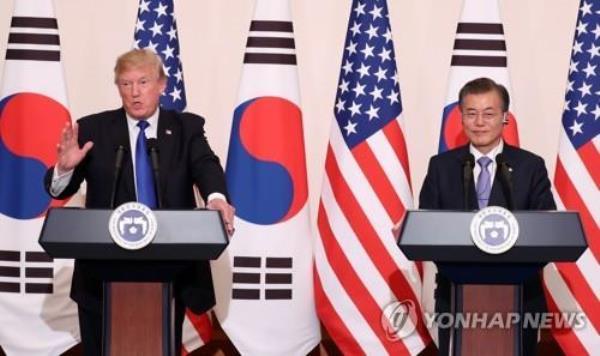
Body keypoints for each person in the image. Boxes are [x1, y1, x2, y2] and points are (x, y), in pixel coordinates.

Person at [44, 49, 235, 355]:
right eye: (125, 84)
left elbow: (206, 165)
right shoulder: (94, 129)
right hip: (102, 275)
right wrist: (65, 168)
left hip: (168, 272)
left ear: (162, 84)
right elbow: (57, 191)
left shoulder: (186, 127)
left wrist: (216, 198)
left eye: (143, 82)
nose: (134, 92)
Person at [418, 77, 555, 355]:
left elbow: (547, 229)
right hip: (456, 297)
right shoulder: (441, 167)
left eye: (489, 113)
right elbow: (426, 226)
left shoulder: (530, 166)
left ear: (505, 117)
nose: (479, 122)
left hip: (519, 300)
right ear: (461, 117)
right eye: (471, 113)